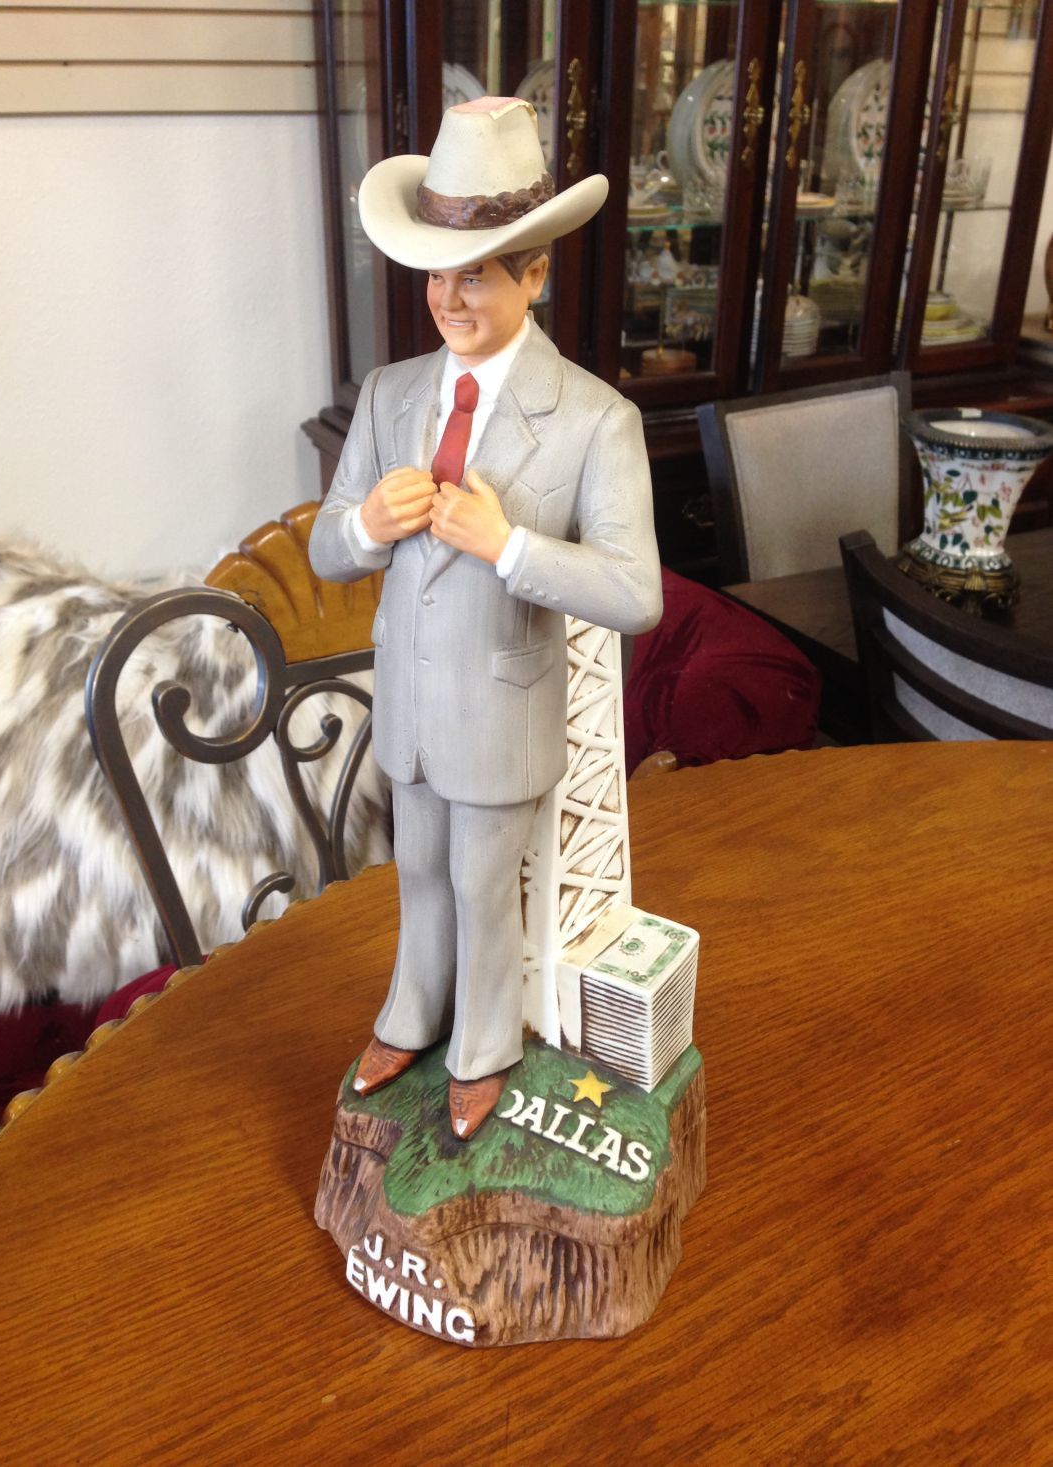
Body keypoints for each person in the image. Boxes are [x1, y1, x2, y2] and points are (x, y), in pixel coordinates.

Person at [309, 97, 662, 1139]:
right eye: (436, 270)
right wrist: (370, 522)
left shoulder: (597, 420)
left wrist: (507, 547)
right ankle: (412, 1012)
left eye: (475, 273)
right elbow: (329, 545)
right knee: (414, 870)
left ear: (533, 273)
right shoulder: (387, 395)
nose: (448, 299)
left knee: (479, 883)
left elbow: (634, 592)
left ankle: (484, 1044)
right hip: (412, 708)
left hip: (505, 713)